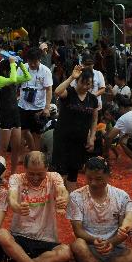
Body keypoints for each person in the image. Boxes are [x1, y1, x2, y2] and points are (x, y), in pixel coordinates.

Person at [67, 157, 132, 262]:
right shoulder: (76, 196)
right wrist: (94, 241)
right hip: (89, 248)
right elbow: (78, 231)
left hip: (114, 248)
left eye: (98, 179)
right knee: (78, 244)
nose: (93, 183)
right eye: (89, 178)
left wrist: (111, 243)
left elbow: (122, 230)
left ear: (108, 176)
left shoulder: (121, 196)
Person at [0, 151, 70, 262]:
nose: (35, 177)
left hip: (47, 239)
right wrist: (17, 207)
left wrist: (64, 199)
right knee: (1, 234)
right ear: (24, 168)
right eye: (31, 173)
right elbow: (12, 199)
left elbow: (63, 191)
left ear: (47, 168)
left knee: (66, 252)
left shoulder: (54, 177)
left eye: (40, 174)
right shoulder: (16, 178)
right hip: (20, 236)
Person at [54, 65, 99, 193]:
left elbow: (94, 120)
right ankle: (57, 197)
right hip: (63, 138)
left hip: (80, 140)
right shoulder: (70, 93)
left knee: (74, 170)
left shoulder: (93, 99)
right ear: (77, 81)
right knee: (61, 170)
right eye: (82, 83)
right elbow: (57, 91)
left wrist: (91, 138)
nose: (85, 87)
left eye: (88, 84)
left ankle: (71, 197)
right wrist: (71, 77)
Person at [0, 55, 30, 175]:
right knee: (3, 148)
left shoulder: (12, 76)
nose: (11, 71)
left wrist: (21, 64)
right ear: (5, 70)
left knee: (16, 148)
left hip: (15, 115)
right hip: (4, 116)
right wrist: (13, 64)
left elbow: (27, 77)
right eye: (9, 69)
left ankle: (13, 173)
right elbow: (13, 79)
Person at [17, 49, 53, 154]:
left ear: (39, 60)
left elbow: (49, 89)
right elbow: (16, 83)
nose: (32, 64)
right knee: (22, 132)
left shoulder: (45, 70)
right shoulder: (22, 68)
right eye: (30, 61)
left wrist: (47, 107)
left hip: (39, 107)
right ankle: (24, 154)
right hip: (23, 105)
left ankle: (36, 155)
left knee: (37, 134)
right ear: (27, 60)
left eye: (35, 62)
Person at [105, 95, 132, 171]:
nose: (118, 111)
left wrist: (105, 153)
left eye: (118, 109)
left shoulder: (123, 118)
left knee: (123, 141)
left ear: (122, 107)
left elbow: (109, 137)